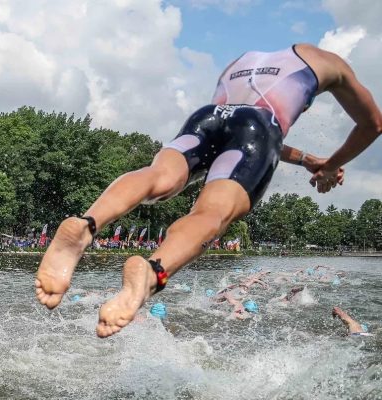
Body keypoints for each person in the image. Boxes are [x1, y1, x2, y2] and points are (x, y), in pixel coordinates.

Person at [36, 43, 382, 338]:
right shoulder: (325, 61)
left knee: (159, 176)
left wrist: (307, 159)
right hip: (257, 127)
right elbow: (372, 124)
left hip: (208, 117)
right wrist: (331, 165)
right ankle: (152, 271)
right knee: (210, 213)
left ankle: (86, 225)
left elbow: (236, 128)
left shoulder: (241, 62)